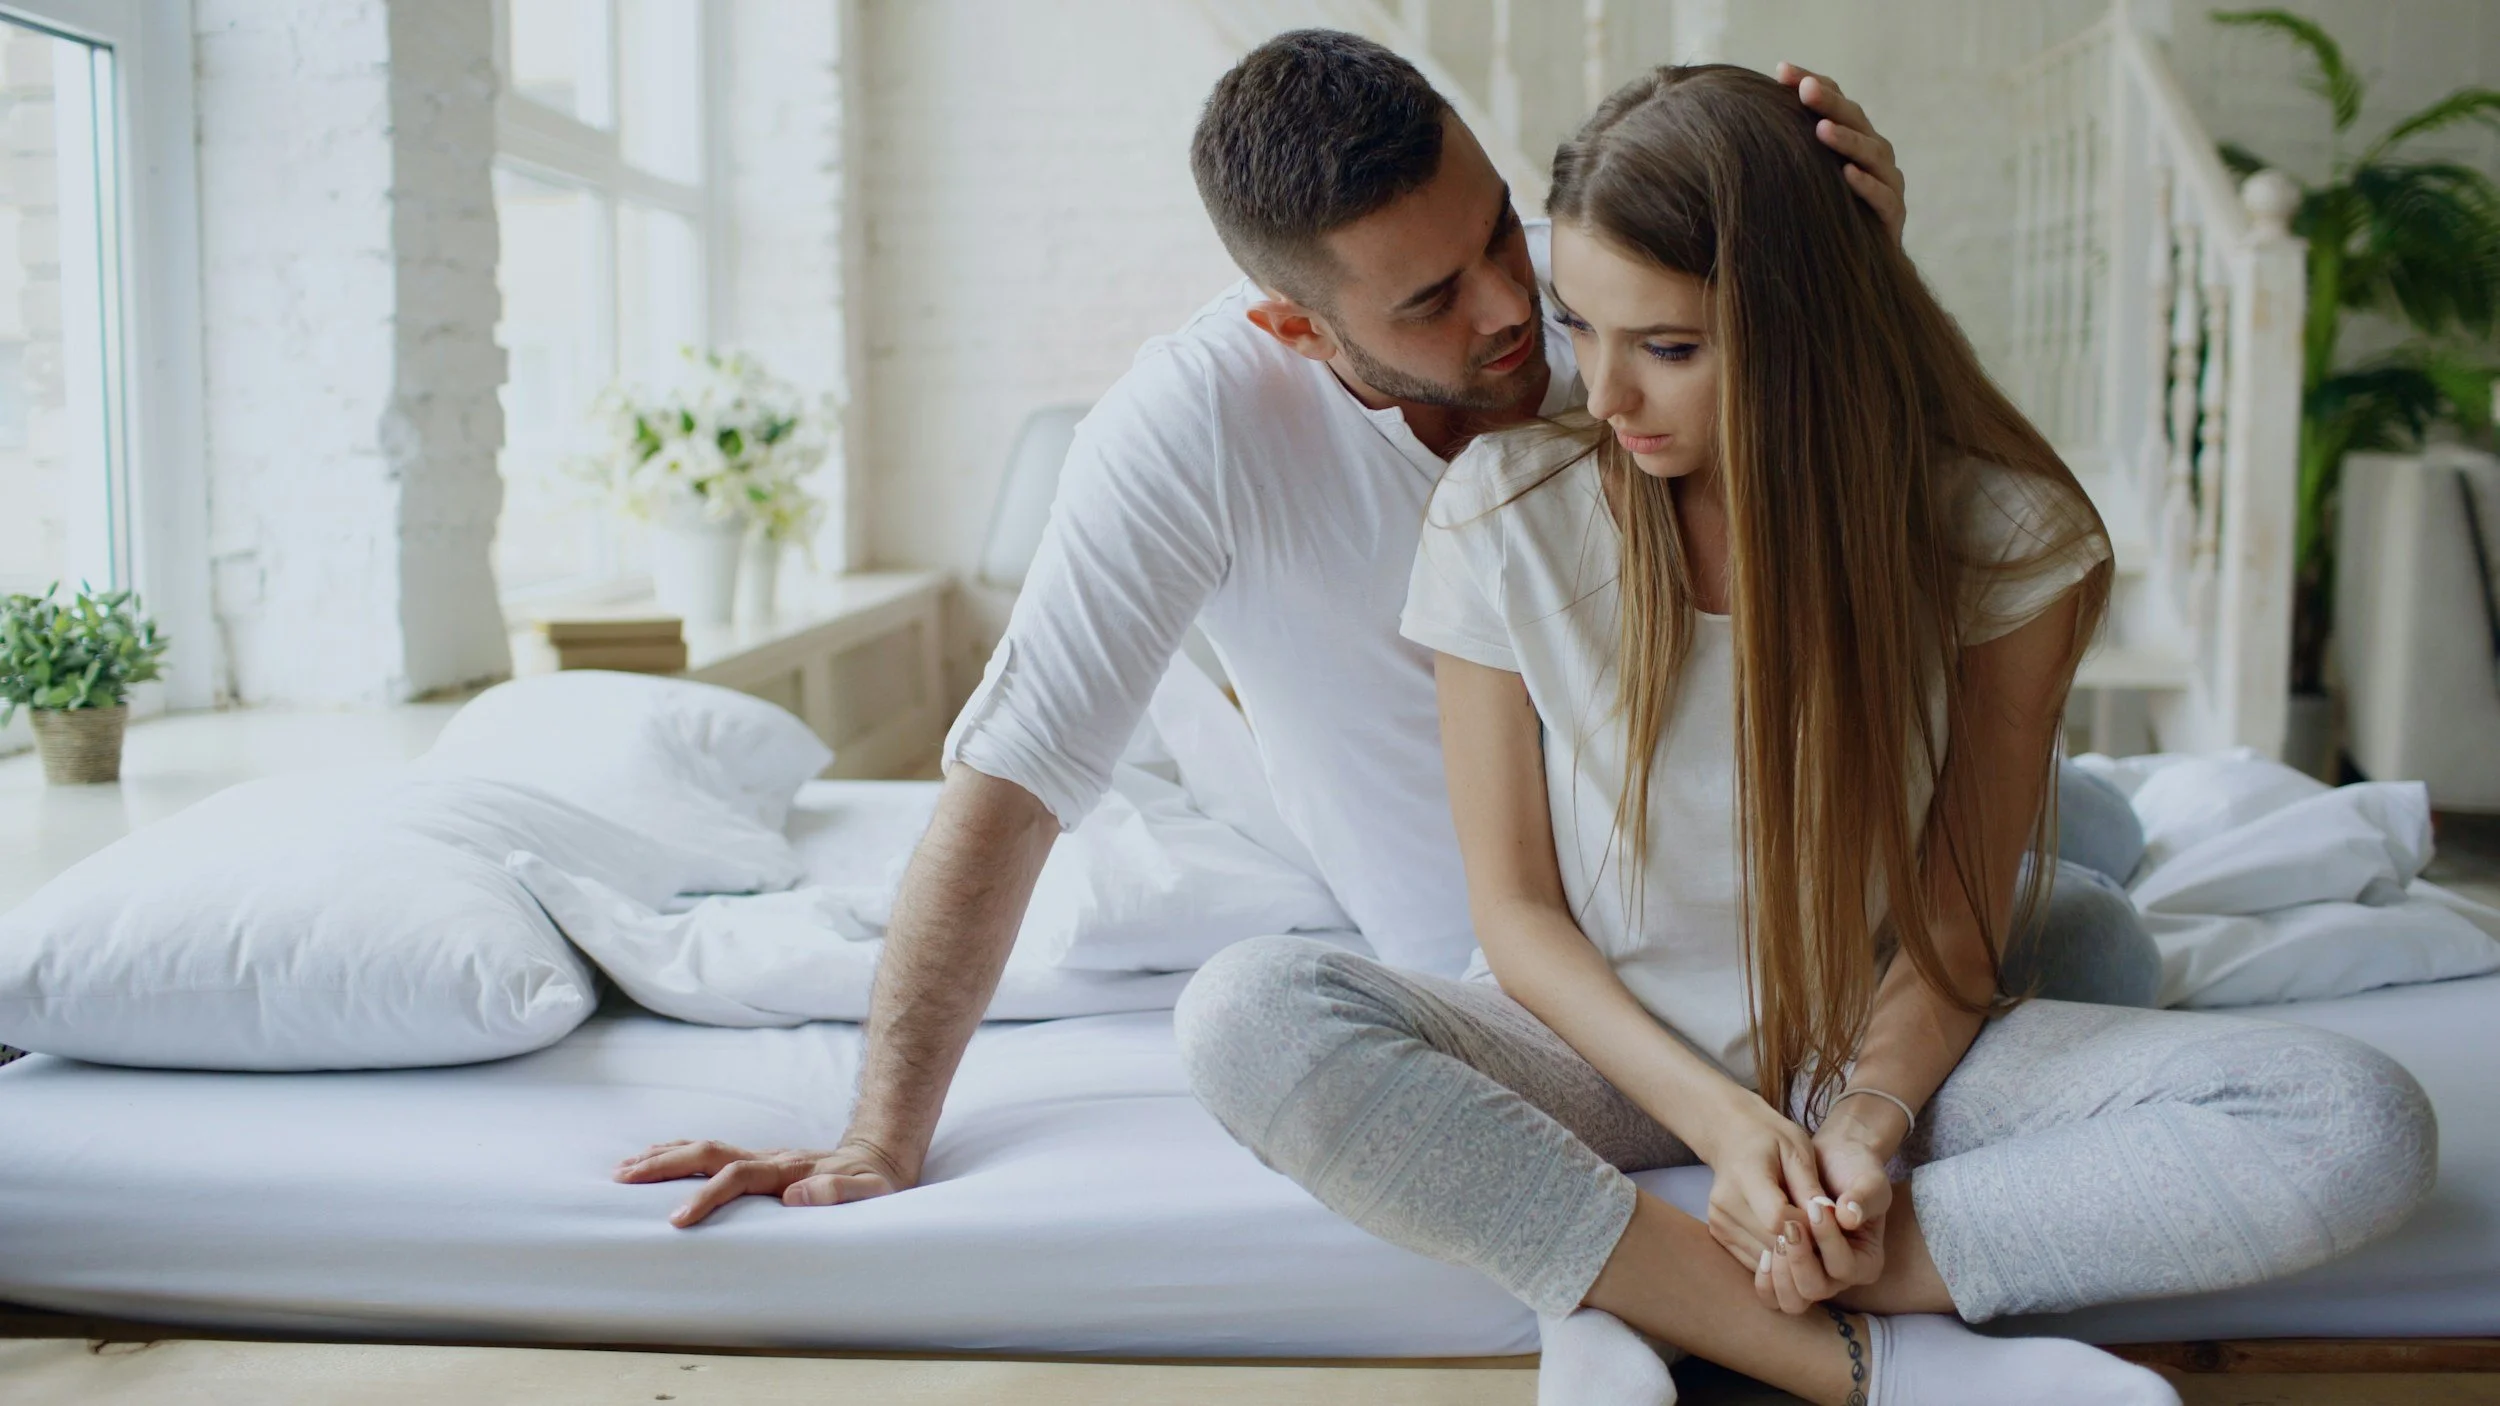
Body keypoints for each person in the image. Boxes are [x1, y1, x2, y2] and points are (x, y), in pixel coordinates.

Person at [613, 32, 2147, 1235]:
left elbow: (1907, 487)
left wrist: (1841, 268)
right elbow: (1013, 777)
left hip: (1803, 847)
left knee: (2088, 874)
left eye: (1501, 230)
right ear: (1296, 326)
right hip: (1534, 949)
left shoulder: (1594, 297)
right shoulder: (1194, 427)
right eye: (1432, 298)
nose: (1515, 309)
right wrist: (881, 1134)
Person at [1174, 65, 2437, 1406]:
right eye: (1579, 326)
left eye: (1667, 346)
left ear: (1804, 325)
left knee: (2351, 1121)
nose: (1602, 393)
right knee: (1247, 1014)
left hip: (1870, 1034)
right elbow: (1518, 912)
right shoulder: (1508, 509)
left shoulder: (2007, 541)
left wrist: (1864, 1132)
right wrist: (1725, 1125)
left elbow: (1954, 912)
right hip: (1610, 1052)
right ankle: (1835, 1350)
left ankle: (1645, 1289)